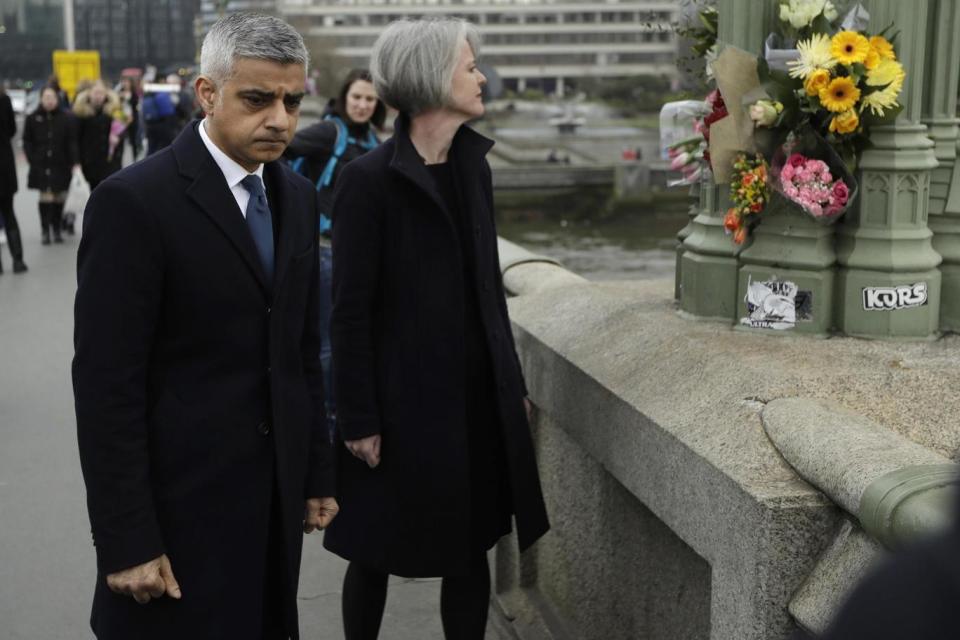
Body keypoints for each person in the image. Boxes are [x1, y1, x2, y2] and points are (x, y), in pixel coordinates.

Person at [72, 13, 339, 639]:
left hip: (272, 505)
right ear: (207, 93)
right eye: (258, 98)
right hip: (176, 517)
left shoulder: (297, 197)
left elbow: (300, 350)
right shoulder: (133, 202)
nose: (279, 117)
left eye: (293, 101)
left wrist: (316, 470)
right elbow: (107, 387)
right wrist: (127, 538)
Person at [325, 18, 550, 640]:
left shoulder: (474, 167)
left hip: (472, 402)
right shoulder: (366, 181)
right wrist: (359, 417)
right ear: (431, 79)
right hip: (397, 405)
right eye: (469, 66)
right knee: (372, 549)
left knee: (470, 546)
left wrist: (513, 385)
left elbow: (487, 293)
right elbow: (348, 311)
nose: (481, 77)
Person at [284, 68, 385, 436]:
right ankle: (326, 424)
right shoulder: (330, 132)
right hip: (325, 252)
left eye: (369, 99)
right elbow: (281, 150)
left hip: (357, 254)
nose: (361, 105)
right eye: (356, 97)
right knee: (329, 339)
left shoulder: (373, 141)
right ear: (344, 98)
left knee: (350, 338)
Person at [22, 85, 76, 244]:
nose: (49, 101)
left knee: (59, 198)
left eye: (52, 98)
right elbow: (26, 140)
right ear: (41, 99)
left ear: (57, 99)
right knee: (45, 197)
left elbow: (71, 142)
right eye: (46, 98)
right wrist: (32, 158)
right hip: (41, 164)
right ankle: (45, 230)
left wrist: (74, 162)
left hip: (61, 164)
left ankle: (57, 228)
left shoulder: (66, 118)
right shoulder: (32, 118)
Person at [74, 80, 125, 190]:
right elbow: (75, 139)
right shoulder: (81, 112)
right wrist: (77, 161)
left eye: (101, 93)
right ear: (89, 94)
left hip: (110, 162)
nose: (98, 96)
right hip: (89, 163)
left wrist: (118, 138)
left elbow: (123, 129)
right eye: (95, 93)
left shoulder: (115, 110)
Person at [0, 82, 27, 272]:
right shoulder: (5, 100)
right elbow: (11, 130)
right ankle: (18, 260)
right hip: (4, 165)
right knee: (9, 213)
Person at [118, 76, 142, 159]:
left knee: (133, 139)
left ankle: (135, 157)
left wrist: (128, 99)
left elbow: (136, 105)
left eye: (127, 82)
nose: (125, 84)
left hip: (132, 119)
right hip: (122, 119)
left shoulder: (134, 93)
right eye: (123, 82)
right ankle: (120, 157)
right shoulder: (119, 92)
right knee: (121, 139)